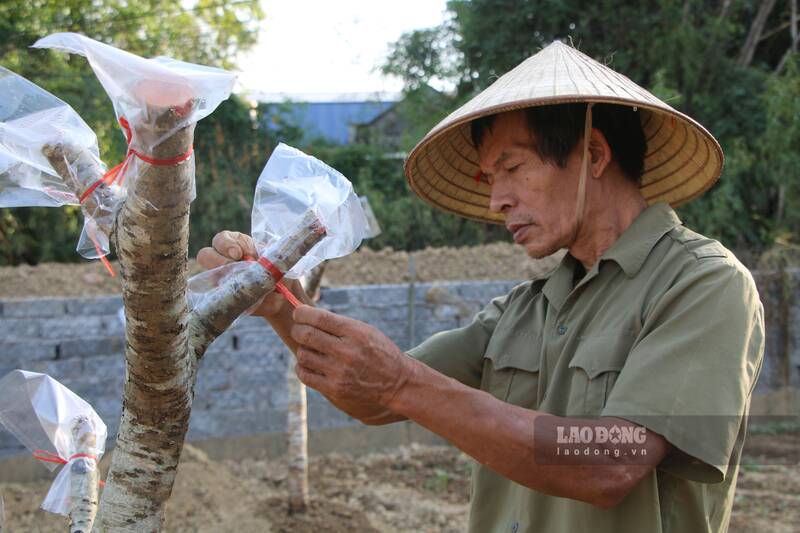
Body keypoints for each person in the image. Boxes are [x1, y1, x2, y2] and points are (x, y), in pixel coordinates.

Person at [198, 41, 764, 533]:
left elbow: (610, 462)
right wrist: (283, 306)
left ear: (592, 155)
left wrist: (403, 382)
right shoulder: (524, 309)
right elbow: (373, 399)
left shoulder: (703, 285)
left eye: (513, 168)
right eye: (490, 179)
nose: (497, 201)